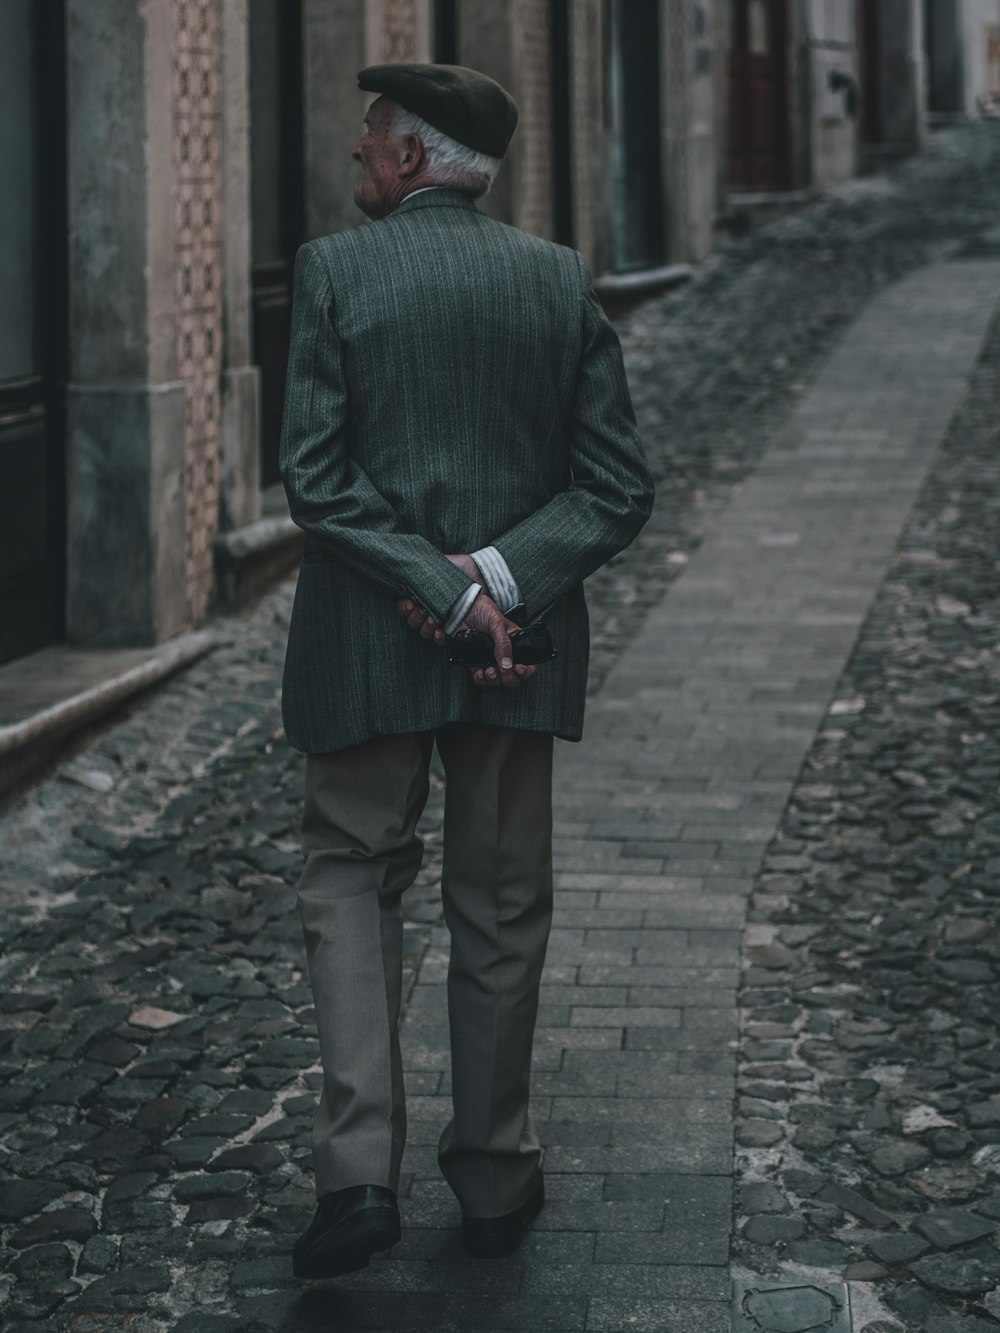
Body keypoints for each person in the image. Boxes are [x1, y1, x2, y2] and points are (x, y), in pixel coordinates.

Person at [279, 62, 653, 1280]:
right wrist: (494, 581)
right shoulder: (553, 278)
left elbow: (319, 481)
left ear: (406, 157)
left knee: (348, 879)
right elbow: (613, 485)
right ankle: (494, 1171)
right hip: (516, 651)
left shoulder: (334, 271)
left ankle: (354, 1181)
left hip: (366, 645)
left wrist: (438, 588)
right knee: (498, 905)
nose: (356, 155)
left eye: (369, 136)